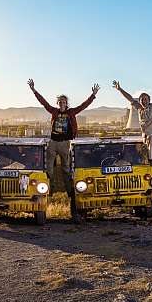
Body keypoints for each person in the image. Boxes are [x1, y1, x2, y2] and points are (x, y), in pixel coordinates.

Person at [28, 79, 99, 217]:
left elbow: (84, 105)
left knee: (66, 168)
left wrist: (93, 95)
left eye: (64, 102)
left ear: (67, 103)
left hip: (65, 143)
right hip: (53, 142)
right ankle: (49, 189)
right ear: (58, 103)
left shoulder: (71, 112)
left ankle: (69, 192)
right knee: (49, 168)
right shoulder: (53, 111)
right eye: (60, 102)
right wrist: (34, 90)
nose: (62, 104)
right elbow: (43, 103)